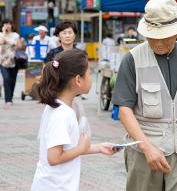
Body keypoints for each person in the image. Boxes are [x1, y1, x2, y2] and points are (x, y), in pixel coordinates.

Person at [112, 0, 177, 191]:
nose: (157, 42)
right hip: (144, 153)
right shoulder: (132, 60)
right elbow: (124, 110)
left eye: (164, 36)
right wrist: (147, 148)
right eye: (152, 35)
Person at [31, 49, 119, 191]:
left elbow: (67, 150)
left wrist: (99, 148)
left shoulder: (61, 108)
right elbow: (54, 158)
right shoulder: (62, 114)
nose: (91, 77)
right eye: (89, 73)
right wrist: (81, 149)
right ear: (78, 80)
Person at [0, 19, 21, 108]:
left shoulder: (16, 35)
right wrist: (4, 33)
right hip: (3, 60)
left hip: (13, 60)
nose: (8, 25)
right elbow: (1, 42)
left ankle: (10, 97)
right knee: (6, 79)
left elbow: (17, 45)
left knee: (12, 80)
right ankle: (8, 100)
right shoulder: (1, 35)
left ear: (12, 25)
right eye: (6, 24)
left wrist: (8, 42)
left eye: (9, 23)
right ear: (3, 25)